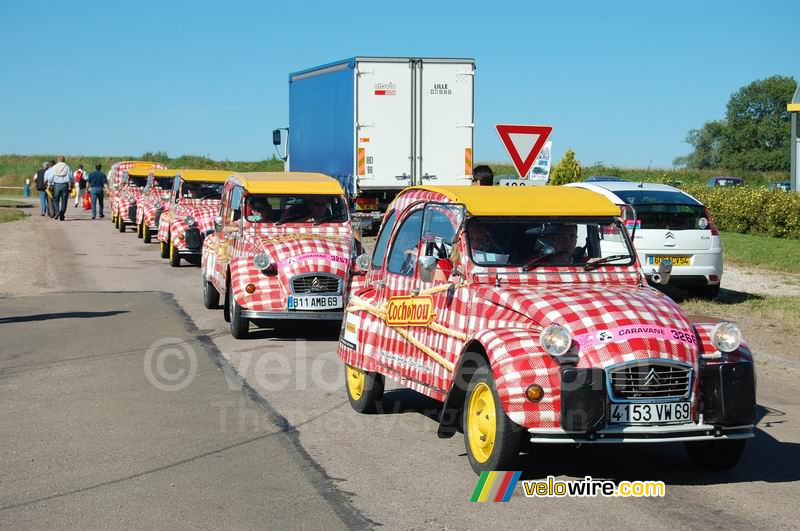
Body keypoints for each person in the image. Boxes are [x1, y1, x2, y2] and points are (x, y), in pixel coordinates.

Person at [48, 156, 73, 221]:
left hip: (57, 185)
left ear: (58, 160)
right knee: (64, 201)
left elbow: (50, 178)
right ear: (64, 160)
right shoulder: (67, 167)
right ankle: (62, 215)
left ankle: (57, 211)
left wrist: (50, 183)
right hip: (65, 185)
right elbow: (71, 177)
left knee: (55, 200)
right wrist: (71, 184)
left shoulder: (54, 167)